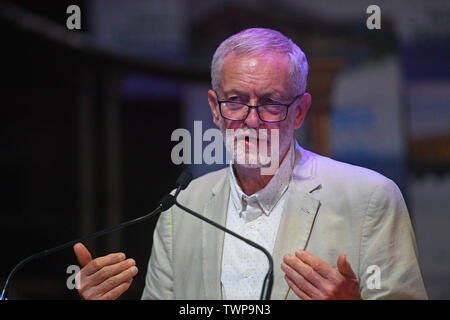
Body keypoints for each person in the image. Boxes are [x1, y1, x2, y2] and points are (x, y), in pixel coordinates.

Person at [73, 28, 427, 300]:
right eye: (236, 101)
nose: (252, 120)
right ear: (215, 109)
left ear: (300, 110)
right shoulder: (180, 208)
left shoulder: (371, 198)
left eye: (271, 102)